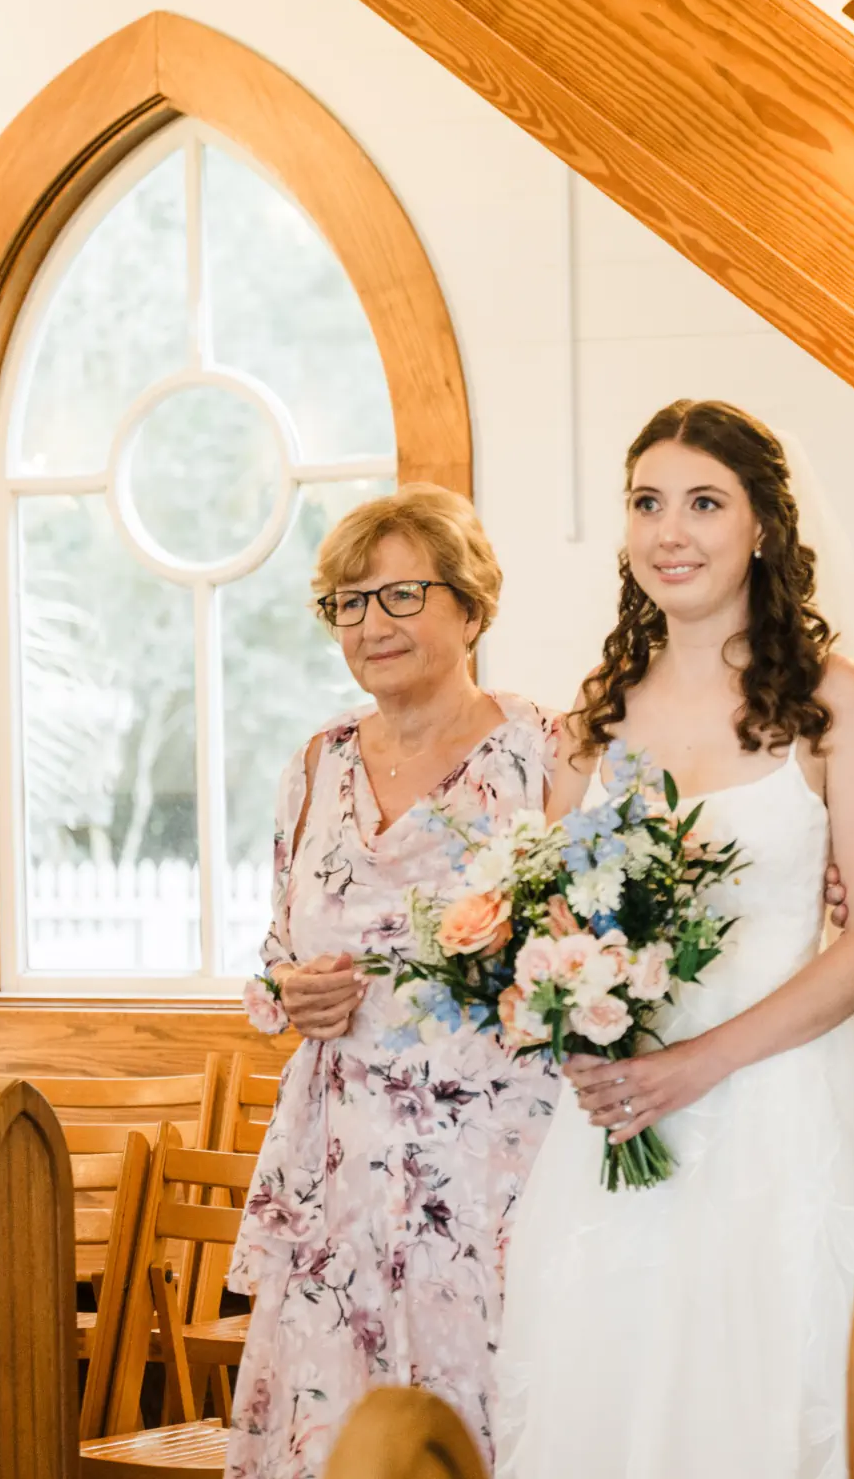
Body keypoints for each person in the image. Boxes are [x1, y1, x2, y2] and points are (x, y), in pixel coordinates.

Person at [492, 401, 854, 1479]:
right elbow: (547, 924)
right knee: (611, 1400)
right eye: (648, 503)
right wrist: (571, 1017)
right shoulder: (593, 721)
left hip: (780, 1110)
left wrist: (696, 1064)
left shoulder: (834, 704)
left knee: (771, 1403)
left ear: (761, 529)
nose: (672, 531)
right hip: (618, 1126)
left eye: (705, 502)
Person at [223, 484, 562, 1479]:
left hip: (494, 1165)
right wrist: (290, 990)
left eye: (403, 595)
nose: (373, 624)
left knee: (485, 1420)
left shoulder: (545, 749)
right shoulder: (316, 764)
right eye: (350, 602)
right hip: (339, 1166)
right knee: (337, 1431)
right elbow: (274, 956)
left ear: (470, 604)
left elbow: (603, 948)